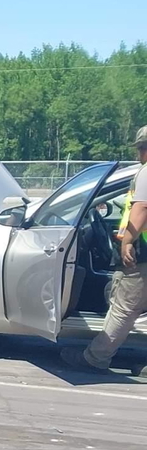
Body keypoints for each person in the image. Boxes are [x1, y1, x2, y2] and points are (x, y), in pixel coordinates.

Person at [63, 126, 147, 372]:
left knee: (124, 307)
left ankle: (95, 358)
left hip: (143, 254)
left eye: (140, 149)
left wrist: (127, 241)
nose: (138, 155)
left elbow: (141, 208)